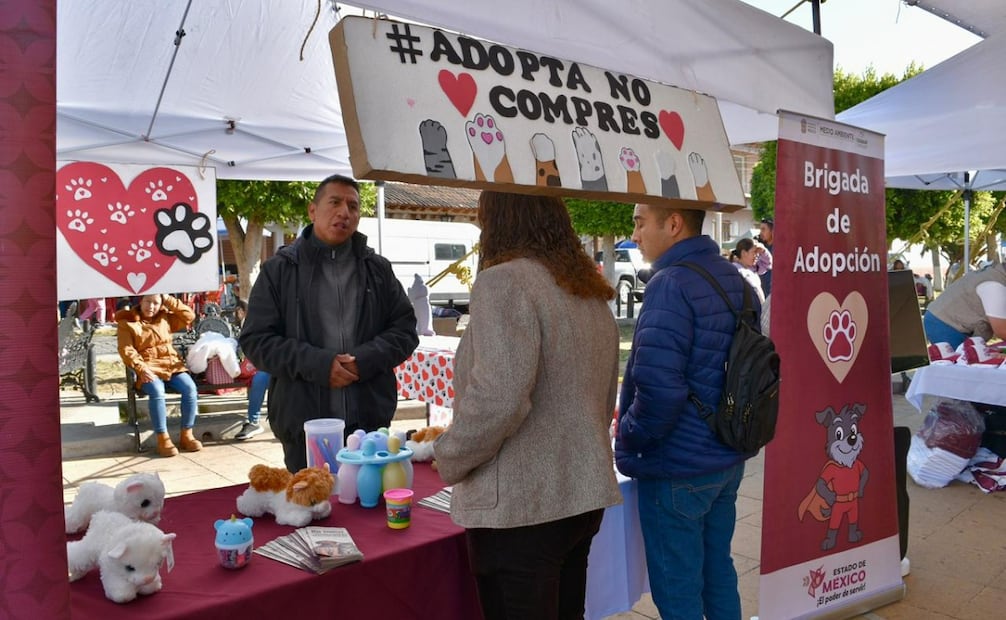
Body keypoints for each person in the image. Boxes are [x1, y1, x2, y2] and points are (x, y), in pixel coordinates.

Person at [434, 191, 622, 620]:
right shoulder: (586, 289)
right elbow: (601, 394)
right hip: (579, 494)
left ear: (498, 222)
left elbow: (498, 398)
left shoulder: (505, 281)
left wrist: (450, 455)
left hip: (521, 509)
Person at [616, 203, 760, 619]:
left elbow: (660, 387)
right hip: (726, 455)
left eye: (640, 222)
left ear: (674, 224)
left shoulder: (672, 284)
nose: (636, 234)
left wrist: (630, 432)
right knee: (718, 572)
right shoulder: (736, 278)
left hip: (678, 464)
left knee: (678, 589)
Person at [239, 174, 419, 472]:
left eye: (353, 206)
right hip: (304, 426)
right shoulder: (279, 271)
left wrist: (365, 360)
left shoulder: (377, 269)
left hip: (370, 426)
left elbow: (404, 331)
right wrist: (319, 365)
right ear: (312, 210)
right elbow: (256, 341)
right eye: (334, 202)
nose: (344, 212)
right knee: (313, 510)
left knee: (369, 505)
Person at [116, 293, 201, 457]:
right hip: (148, 367)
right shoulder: (126, 322)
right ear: (140, 301)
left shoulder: (165, 318)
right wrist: (141, 368)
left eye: (156, 302)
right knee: (157, 391)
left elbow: (189, 316)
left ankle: (187, 435)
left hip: (172, 365)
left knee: (190, 388)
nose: (151, 306)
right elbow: (126, 350)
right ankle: (163, 438)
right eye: (148, 301)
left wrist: (168, 298)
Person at [923, 261, 1006, 348]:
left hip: (945, 319)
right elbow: (1002, 330)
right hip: (945, 324)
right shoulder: (994, 285)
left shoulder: (996, 274)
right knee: (960, 359)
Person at [232, 298, 269, 441]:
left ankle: (253, 421)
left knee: (261, 377)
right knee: (260, 377)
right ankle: (253, 422)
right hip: (254, 366)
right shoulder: (241, 325)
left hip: (271, 364)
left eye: (239, 311)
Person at [729, 237, 767, 303]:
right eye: (754, 252)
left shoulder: (752, 270)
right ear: (744, 253)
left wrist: (764, 251)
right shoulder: (736, 272)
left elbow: (768, 264)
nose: (757, 255)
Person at [756, 217, 775, 295]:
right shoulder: (760, 249)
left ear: (772, 231)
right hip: (762, 290)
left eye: (764, 229)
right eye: (760, 229)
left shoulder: (780, 250)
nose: (761, 233)